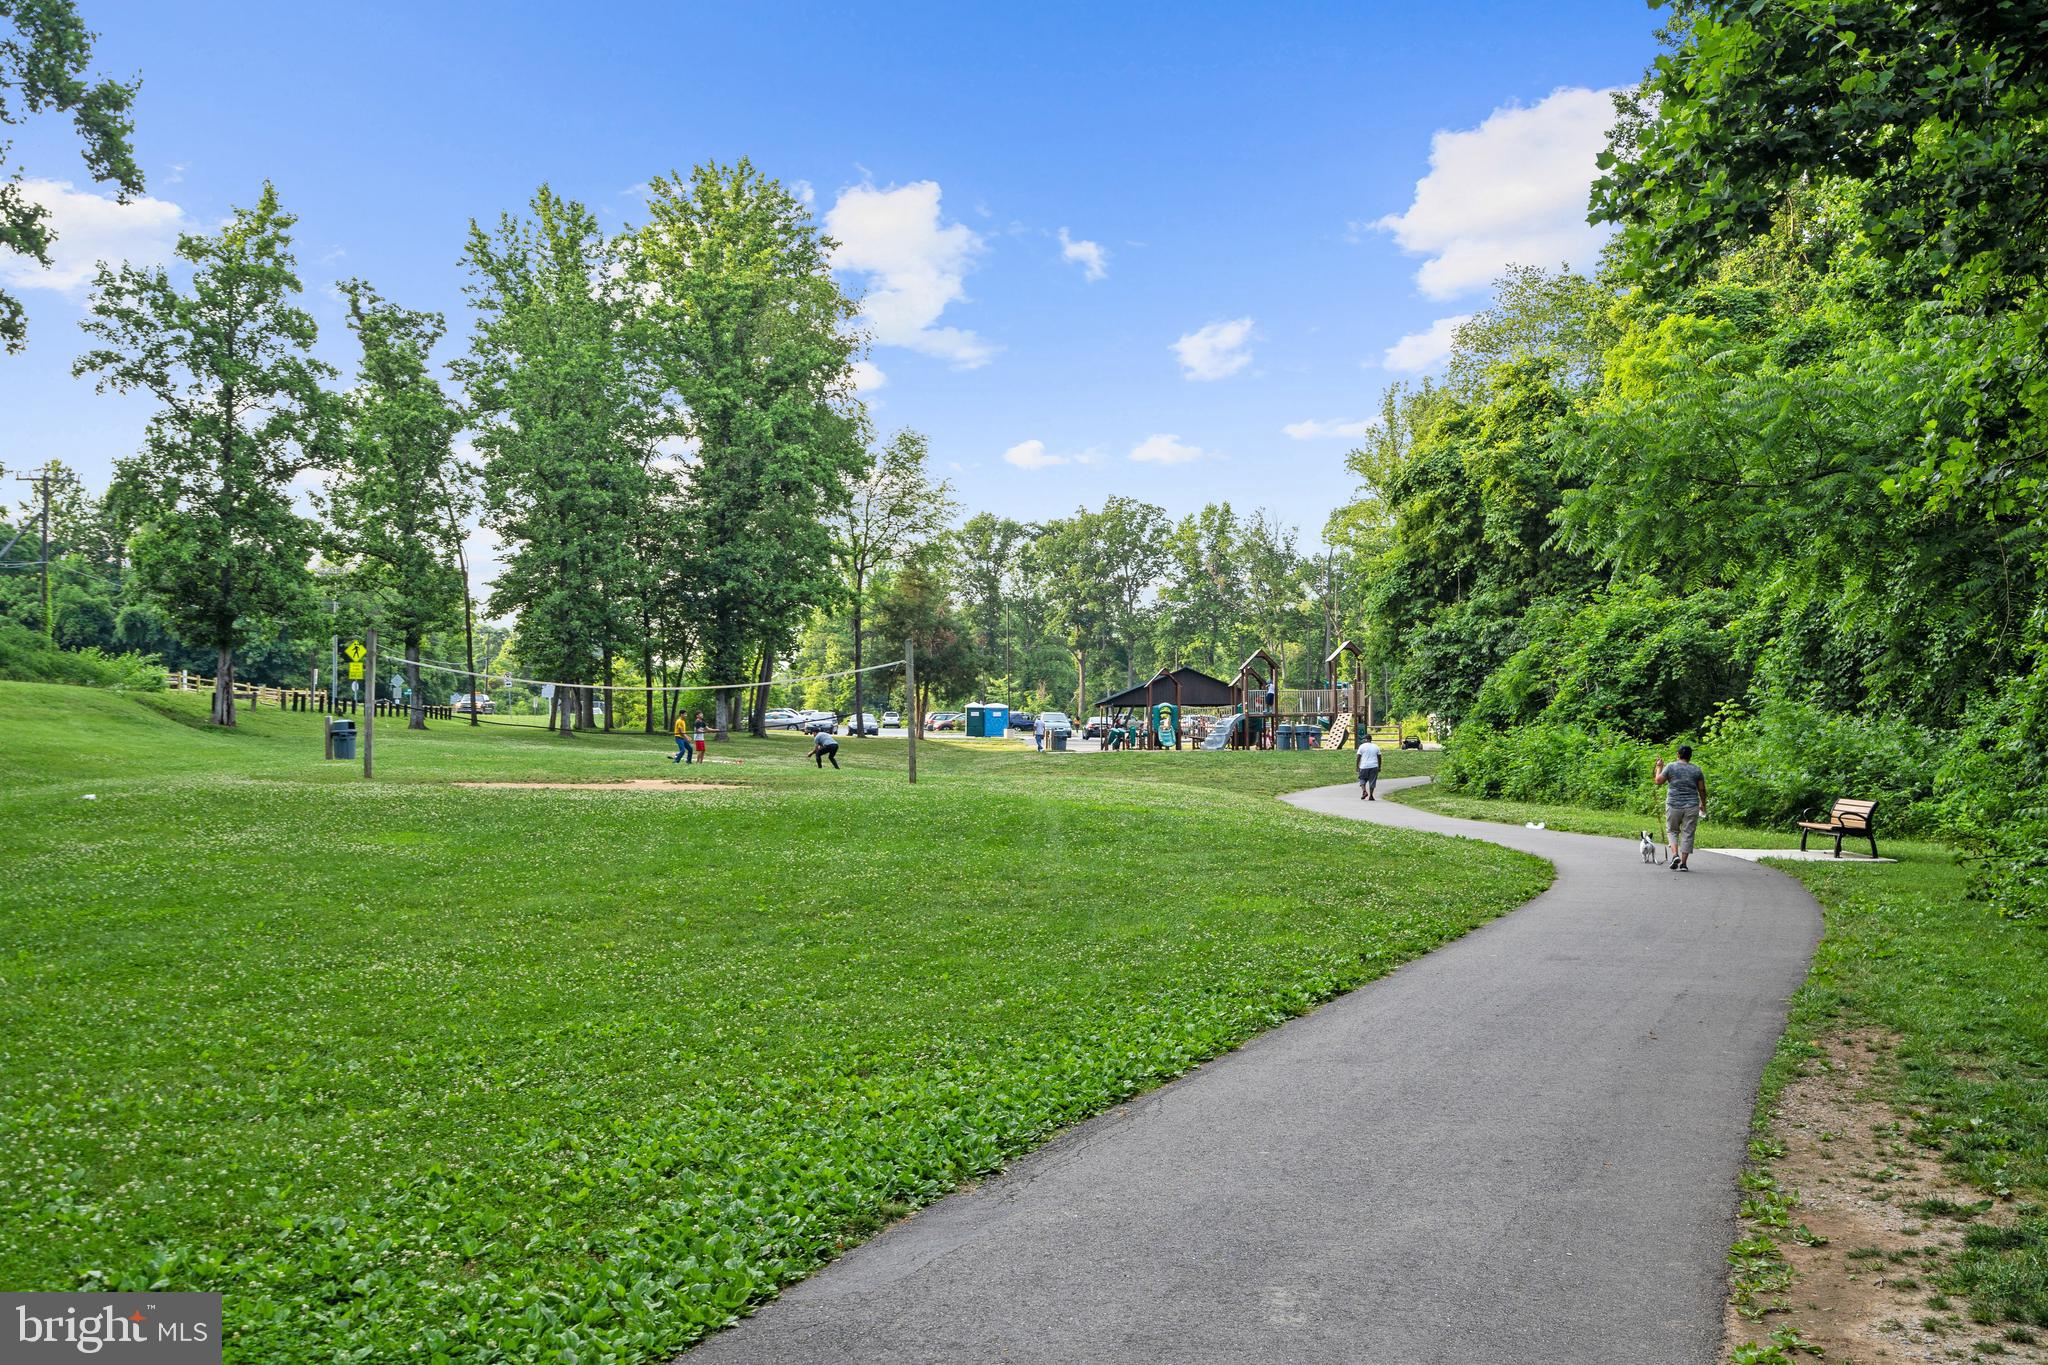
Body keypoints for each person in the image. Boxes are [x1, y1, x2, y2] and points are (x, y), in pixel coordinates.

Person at [1655, 744, 1708, 872]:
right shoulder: (1696, 769)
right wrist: (1703, 804)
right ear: (1690, 756)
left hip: (1673, 804)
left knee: (1672, 830)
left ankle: (1675, 855)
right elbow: (1702, 789)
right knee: (1688, 833)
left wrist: (1659, 767)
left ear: (1678, 755)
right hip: (1692, 806)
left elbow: (1658, 781)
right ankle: (1683, 864)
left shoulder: (1671, 767)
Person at [1356, 733, 1383, 800]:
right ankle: (1371, 796)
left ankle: (1364, 791)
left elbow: (1358, 757)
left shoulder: (1361, 746)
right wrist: (1379, 766)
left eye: (1363, 739)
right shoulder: (1376, 746)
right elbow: (1379, 757)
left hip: (1364, 766)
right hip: (1374, 766)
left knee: (1362, 779)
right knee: (1372, 781)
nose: (1362, 740)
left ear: (1366, 739)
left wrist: (1357, 766)